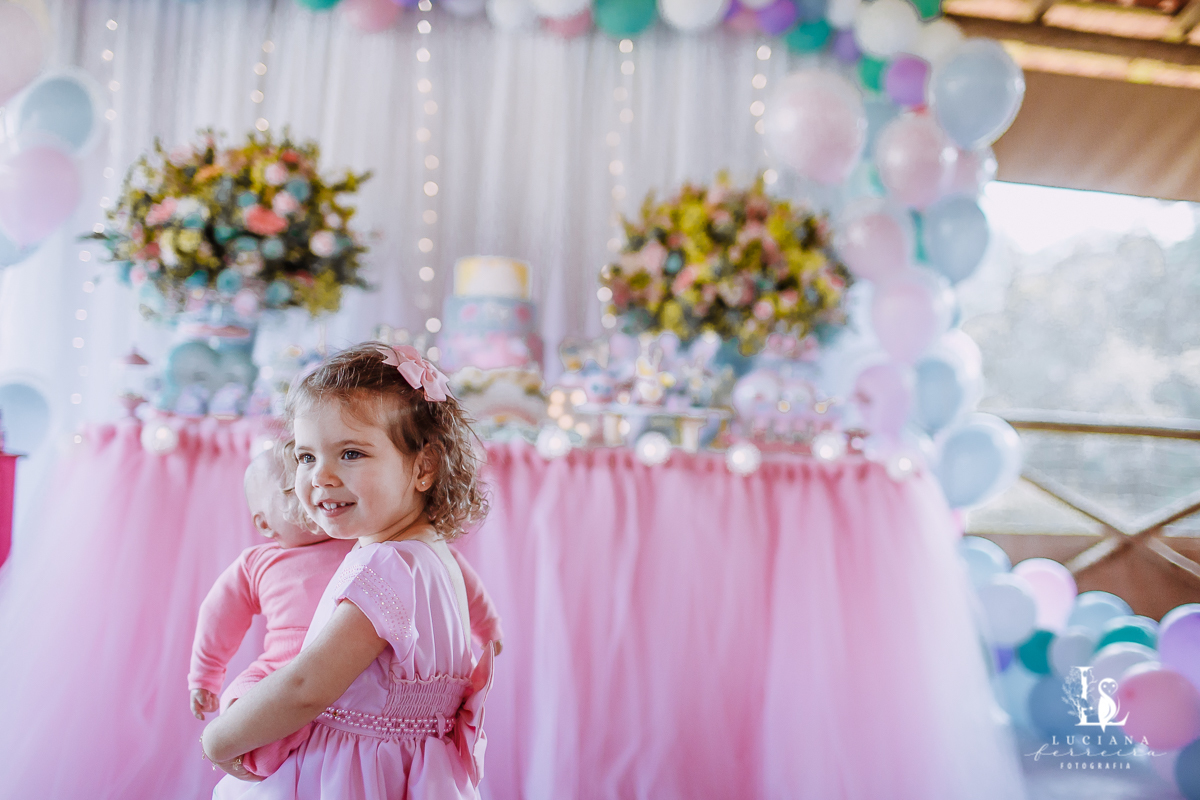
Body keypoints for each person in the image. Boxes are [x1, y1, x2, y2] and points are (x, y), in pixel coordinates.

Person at [202, 342, 497, 800]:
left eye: (351, 454)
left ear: (424, 465)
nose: (321, 476)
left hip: (351, 776)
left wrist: (221, 739)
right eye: (306, 457)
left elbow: (305, 686)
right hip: (413, 773)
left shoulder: (385, 565)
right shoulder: (435, 557)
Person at [189, 443, 355, 777]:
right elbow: (218, 616)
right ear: (265, 524)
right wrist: (206, 675)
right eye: (294, 491)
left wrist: (486, 624)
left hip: (348, 664)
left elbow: (447, 569)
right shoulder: (257, 563)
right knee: (241, 696)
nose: (315, 493)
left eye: (319, 482)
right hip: (278, 670)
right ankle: (259, 759)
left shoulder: (363, 541)